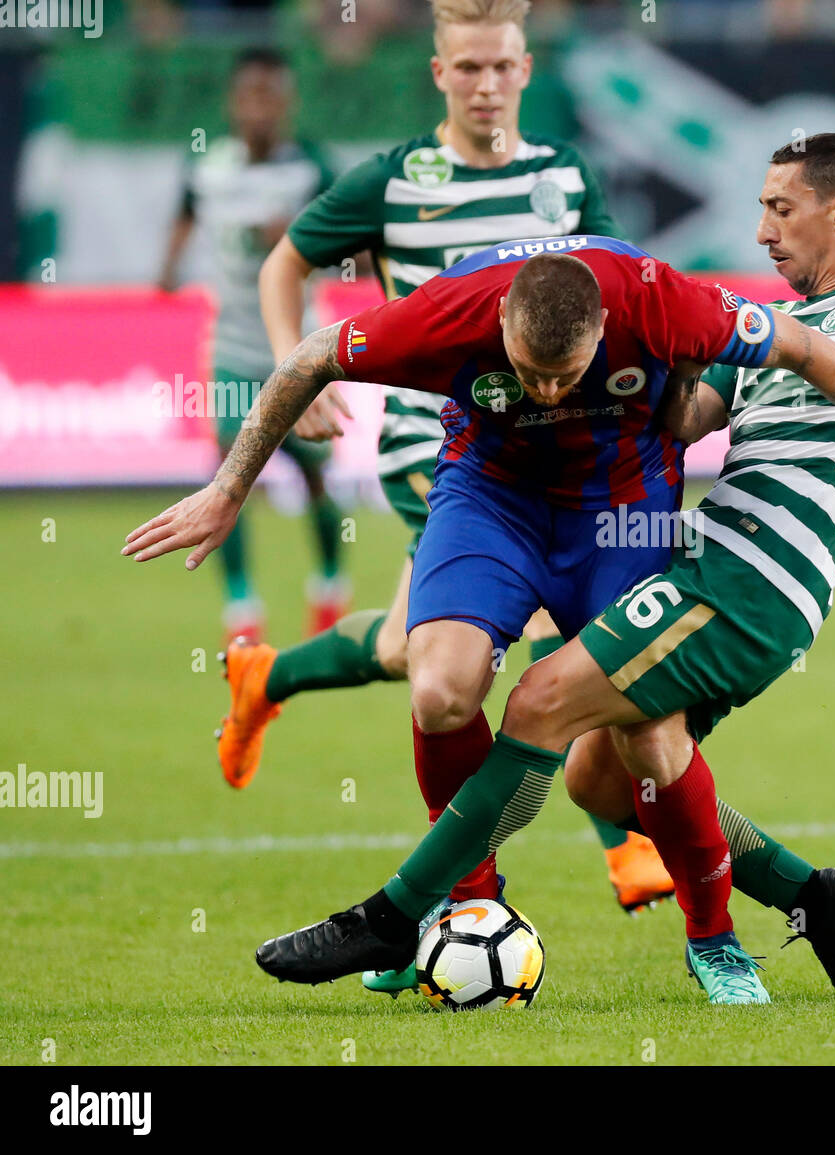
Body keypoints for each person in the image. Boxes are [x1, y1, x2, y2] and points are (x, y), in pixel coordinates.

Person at [239, 133, 835, 1005]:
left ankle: (397, 912)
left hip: (757, 578)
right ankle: (814, 895)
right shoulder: (771, 328)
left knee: (537, 701)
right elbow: (683, 418)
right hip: (703, 552)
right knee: (608, 773)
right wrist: (656, 354)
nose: (761, 232)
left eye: (779, 209)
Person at [228, 0, 674, 913]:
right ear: (440, 74)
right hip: (438, 446)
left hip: (550, 438)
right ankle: (624, 845)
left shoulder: (564, 174)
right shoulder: (393, 181)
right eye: (467, 69)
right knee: (551, 626)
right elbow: (287, 262)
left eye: (502, 67)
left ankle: (266, 674)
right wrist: (297, 369)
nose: (486, 86)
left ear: (525, 69)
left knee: (408, 649)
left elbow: (617, 289)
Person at [157, 47, 347, 644]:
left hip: (298, 349)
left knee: (313, 476)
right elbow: (186, 213)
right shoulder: (208, 167)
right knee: (226, 475)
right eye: (250, 96)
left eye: (271, 96)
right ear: (235, 103)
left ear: (286, 104)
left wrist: (300, 239)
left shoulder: (313, 167)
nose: (260, 108)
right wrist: (167, 267)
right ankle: (241, 610)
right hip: (234, 346)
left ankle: (328, 586)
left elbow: (354, 248)